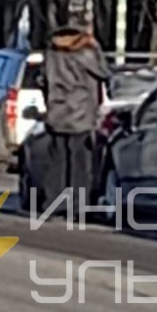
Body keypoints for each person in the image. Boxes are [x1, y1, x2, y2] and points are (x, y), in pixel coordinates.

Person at [42, 25, 109, 213]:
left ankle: (54, 202)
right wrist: (96, 48)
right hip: (81, 112)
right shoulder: (86, 53)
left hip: (57, 111)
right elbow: (103, 71)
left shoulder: (52, 53)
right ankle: (78, 205)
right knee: (80, 162)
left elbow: (44, 80)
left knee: (58, 161)